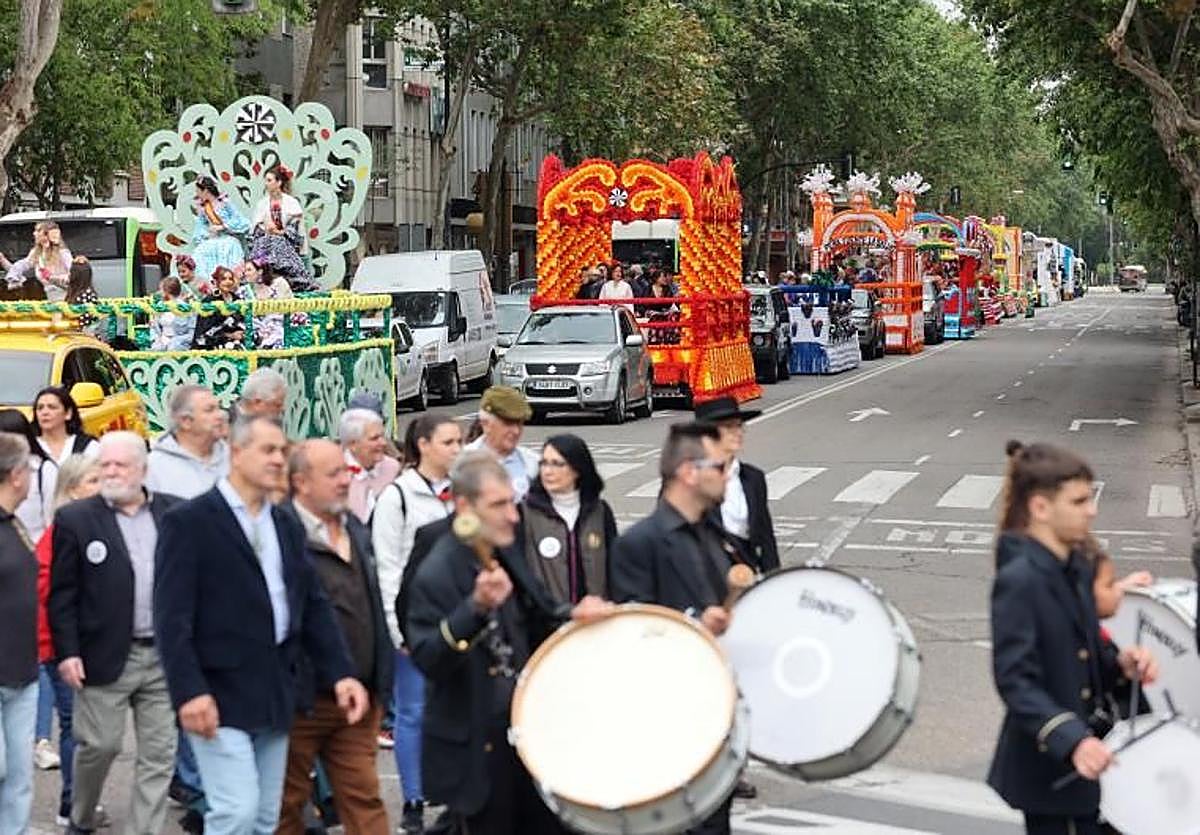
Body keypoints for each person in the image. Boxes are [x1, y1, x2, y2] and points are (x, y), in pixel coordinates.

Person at [153, 415, 368, 835]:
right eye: (268, 450)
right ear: (236, 453)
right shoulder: (190, 522)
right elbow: (171, 617)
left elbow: (313, 605)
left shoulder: (284, 523)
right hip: (217, 693)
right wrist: (189, 692)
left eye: (283, 451)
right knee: (236, 811)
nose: (278, 460)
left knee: (267, 818)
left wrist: (341, 672)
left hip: (274, 692)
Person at [405, 450, 610, 834]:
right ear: (464, 506)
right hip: (477, 745)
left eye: (511, 503)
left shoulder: (503, 548)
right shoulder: (438, 570)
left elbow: (537, 608)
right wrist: (475, 609)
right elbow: (428, 656)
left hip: (523, 734)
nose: (513, 515)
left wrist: (572, 613)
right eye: (499, 505)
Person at [988, 441, 1157, 835]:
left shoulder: (1074, 567)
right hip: (1055, 773)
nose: (1092, 510)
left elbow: (1090, 650)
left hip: (1095, 760)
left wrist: (1123, 664)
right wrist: (1072, 740)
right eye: (1079, 501)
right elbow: (1015, 681)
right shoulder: (1020, 580)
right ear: (1041, 508)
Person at [48, 431, 182, 835]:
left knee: (159, 755)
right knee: (100, 746)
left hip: (161, 655)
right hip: (102, 654)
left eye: (119, 465)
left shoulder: (174, 515)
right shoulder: (76, 519)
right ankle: (82, 815)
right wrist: (67, 652)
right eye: (103, 464)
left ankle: (144, 830)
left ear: (143, 469)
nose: (109, 472)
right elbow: (62, 594)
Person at [609, 421, 740, 835]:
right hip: (666, 720)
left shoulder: (713, 535)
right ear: (688, 471)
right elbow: (632, 630)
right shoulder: (640, 544)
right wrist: (693, 621)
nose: (727, 473)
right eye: (719, 466)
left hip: (714, 710)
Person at [276, 440, 394, 835]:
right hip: (299, 701)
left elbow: (372, 602)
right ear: (300, 483)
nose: (346, 481)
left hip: (357, 698)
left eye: (345, 471)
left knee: (364, 798)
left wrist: (380, 679)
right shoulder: (279, 533)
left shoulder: (354, 528)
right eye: (334, 475)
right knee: (286, 807)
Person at [372, 413, 461, 833]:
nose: (457, 450)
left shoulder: (462, 493)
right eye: (448, 442)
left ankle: (454, 794)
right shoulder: (397, 497)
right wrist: (397, 629)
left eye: (459, 442)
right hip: (415, 621)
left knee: (457, 709)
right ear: (423, 445)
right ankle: (412, 799)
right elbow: (387, 570)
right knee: (412, 712)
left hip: (460, 620)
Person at [34, 454, 102, 825]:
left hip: (85, 645)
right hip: (63, 648)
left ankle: (79, 802)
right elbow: (48, 596)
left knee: (86, 729)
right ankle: (72, 804)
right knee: (76, 728)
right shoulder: (62, 532)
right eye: (93, 480)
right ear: (74, 489)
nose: (101, 486)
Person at [518, 434, 616, 604]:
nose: (548, 471)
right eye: (544, 463)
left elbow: (614, 566)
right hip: (548, 623)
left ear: (577, 469)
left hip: (595, 619)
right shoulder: (525, 512)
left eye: (557, 464)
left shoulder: (599, 511)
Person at [0, 432, 38, 834]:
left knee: (19, 779)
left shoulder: (16, 525)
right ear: (15, 475)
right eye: (28, 468)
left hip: (23, 675)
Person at [695, 397, 778, 574]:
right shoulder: (687, 480)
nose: (737, 432)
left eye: (739, 426)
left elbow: (765, 538)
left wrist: (774, 582)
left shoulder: (753, 478)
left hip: (744, 577)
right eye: (729, 427)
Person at [29, 387, 99, 543]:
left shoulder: (89, 447)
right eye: (40, 408)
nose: (44, 412)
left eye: (52, 407)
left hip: (85, 529)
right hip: (40, 536)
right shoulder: (30, 450)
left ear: (68, 413)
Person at [146, 385, 230, 499]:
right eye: (210, 410)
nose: (221, 415)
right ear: (186, 421)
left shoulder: (237, 456)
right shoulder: (153, 468)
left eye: (219, 408)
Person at [464, 386, 539, 502]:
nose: (516, 431)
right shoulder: (461, 462)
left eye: (519, 423)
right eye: (508, 423)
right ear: (486, 423)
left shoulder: (534, 463)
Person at [249, 165, 315, 291]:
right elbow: (255, 228)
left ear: (279, 182)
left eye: (269, 180)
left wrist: (280, 232)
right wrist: (265, 229)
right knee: (267, 243)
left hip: (287, 242)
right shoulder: (262, 204)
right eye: (266, 180)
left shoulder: (291, 203)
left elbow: (296, 227)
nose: (266, 184)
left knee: (277, 242)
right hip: (265, 241)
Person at [339, 408, 400, 525]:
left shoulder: (392, 468)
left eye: (383, 436)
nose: (383, 443)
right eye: (374, 438)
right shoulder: (334, 471)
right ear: (352, 444)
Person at [191, 176, 250, 287]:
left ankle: (229, 283)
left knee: (228, 249)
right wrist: (206, 233)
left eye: (198, 191)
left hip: (229, 239)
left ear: (206, 191)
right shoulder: (204, 208)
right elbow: (201, 226)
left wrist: (223, 226)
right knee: (200, 252)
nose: (197, 194)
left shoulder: (225, 203)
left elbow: (241, 220)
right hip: (213, 240)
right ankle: (209, 284)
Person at [4, 221, 72, 300]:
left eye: (38, 231)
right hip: (51, 299)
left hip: (67, 298)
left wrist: (52, 278)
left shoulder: (63, 253)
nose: (34, 233)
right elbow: (21, 266)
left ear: (47, 235)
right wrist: (3, 261)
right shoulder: (37, 253)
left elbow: (75, 274)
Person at [192, 266, 248, 350]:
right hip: (214, 343)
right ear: (217, 282)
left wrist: (242, 333)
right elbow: (204, 331)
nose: (228, 282)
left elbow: (243, 321)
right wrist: (231, 335)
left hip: (239, 340)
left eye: (230, 279)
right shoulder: (209, 301)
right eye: (224, 279)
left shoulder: (238, 300)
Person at [243, 259, 291, 350]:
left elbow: (284, 306)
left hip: (281, 320)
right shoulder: (248, 289)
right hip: (259, 324)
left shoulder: (279, 283)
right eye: (244, 270)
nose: (245, 273)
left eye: (249, 270)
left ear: (260, 271)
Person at [150, 275, 197, 350]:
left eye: (161, 290)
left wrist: (176, 341)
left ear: (167, 291)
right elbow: (154, 328)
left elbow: (192, 334)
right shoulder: (160, 306)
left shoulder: (186, 308)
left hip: (179, 344)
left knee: (173, 348)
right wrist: (156, 340)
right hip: (161, 342)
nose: (160, 292)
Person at [65, 256, 103, 337]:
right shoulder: (81, 292)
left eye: (71, 272)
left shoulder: (84, 295)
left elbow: (85, 322)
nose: (69, 275)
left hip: (84, 338)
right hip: (79, 337)